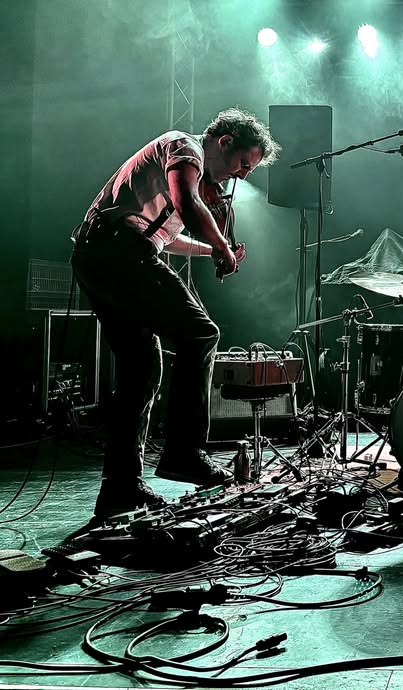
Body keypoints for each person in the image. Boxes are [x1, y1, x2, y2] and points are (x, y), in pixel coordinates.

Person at [71, 108, 280, 519]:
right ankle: (184, 452)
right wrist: (221, 245)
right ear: (224, 142)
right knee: (201, 334)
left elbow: (167, 237)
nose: (240, 176)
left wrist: (214, 250)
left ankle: (120, 489)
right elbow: (188, 204)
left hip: (104, 254)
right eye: (242, 164)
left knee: (141, 371)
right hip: (118, 249)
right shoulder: (183, 146)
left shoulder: (183, 177)